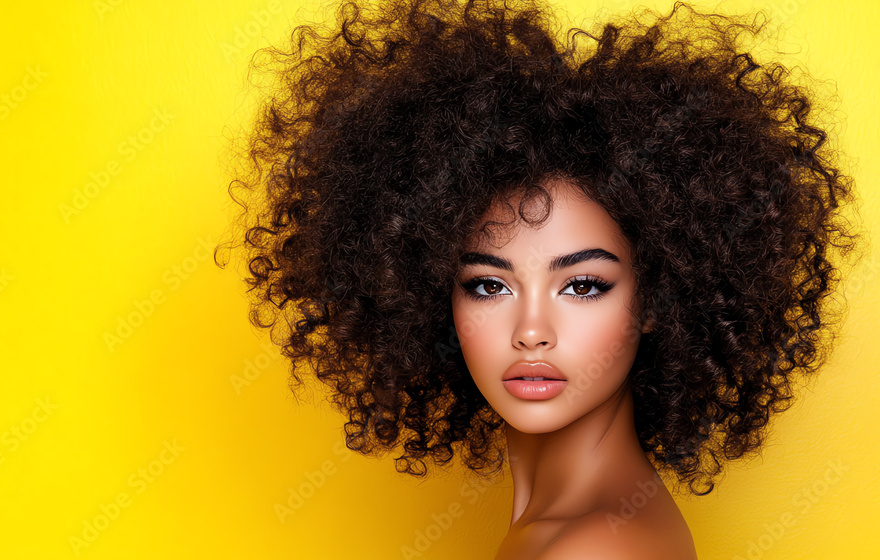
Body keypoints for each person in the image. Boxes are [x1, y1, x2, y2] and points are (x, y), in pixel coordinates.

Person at [218, 0, 862, 557]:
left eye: (583, 285)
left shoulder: (591, 546)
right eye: (488, 285)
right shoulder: (570, 528)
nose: (531, 331)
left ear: (658, 299)